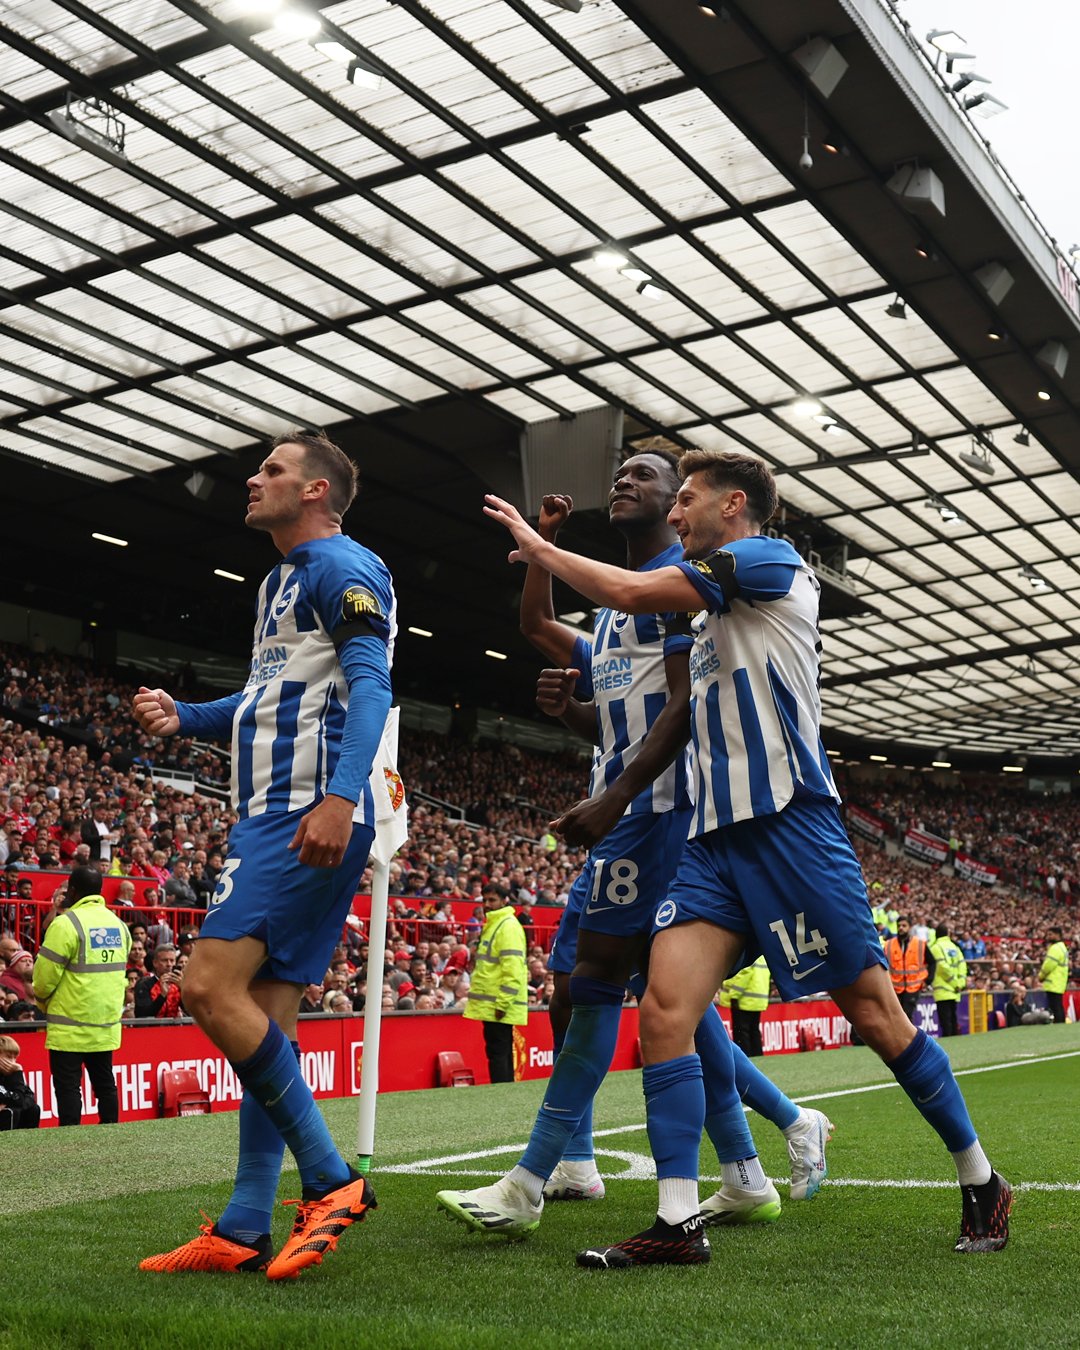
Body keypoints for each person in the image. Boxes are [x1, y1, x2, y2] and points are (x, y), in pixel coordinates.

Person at [485, 448, 1010, 1266]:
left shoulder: (768, 560)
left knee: (876, 1016)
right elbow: (652, 696)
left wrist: (538, 545)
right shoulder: (700, 616)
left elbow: (626, 589)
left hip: (792, 827)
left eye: (686, 499)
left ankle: (980, 1178)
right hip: (712, 842)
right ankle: (676, 1223)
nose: (676, 512)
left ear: (733, 507)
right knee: (664, 1012)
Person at [438, 452, 831, 1241]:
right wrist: (568, 711)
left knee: (596, 985)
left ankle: (537, 1177)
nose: (628, 483)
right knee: (660, 1004)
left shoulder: (675, 589)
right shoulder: (617, 617)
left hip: (660, 813)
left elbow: (682, 710)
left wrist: (617, 794)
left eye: (650, 479)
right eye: (622, 475)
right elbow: (544, 637)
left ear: (678, 506)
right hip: (625, 816)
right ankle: (749, 1166)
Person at [132, 431, 395, 1281]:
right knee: (265, 1019)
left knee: (207, 986)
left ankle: (330, 1182)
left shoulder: (340, 566)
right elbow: (266, 699)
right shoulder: (281, 580)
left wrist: (340, 797)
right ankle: (244, 1227)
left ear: (317, 491)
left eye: (273, 470)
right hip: (280, 809)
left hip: (304, 810)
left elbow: (373, 686)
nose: (255, 477)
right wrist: (188, 716)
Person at [30, 865, 130, 1126]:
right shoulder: (119, 925)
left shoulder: (66, 924)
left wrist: (42, 1002)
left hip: (69, 1027)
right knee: (106, 1086)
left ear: (72, 890)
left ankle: (70, 1144)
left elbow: (42, 980)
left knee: (69, 1089)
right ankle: (111, 1139)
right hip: (105, 1026)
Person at [462, 884, 528, 1082]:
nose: (487, 905)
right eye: (485, 900)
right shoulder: (497, 924)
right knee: (500, 1052)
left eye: (492, 900)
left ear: (504, 901)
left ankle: (501, 1094)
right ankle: (505, 1094)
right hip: (494, 1004)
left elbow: (513, 970)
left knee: (498, 1053)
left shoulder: (506, 926)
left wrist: (502, 1003)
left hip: (498, 1005)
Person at [884, 916, 932, 1025]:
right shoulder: (889, 945)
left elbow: (932, 962)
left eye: (904, 925)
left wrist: (928, 980)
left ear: (910, 927)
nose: (901, 928)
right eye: (899, 926)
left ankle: (907, 1041)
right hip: (895, 987)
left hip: (913, 986)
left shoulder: (919, 944)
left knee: (907, 1014)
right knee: (895, 1016)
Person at [722, 956, 770, 1059]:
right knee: (754, 1031)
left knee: (741, 1032)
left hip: (743, 999)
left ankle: (744, 1058)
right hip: (757, 999)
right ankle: (758, 1056)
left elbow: (744, 974)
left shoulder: (747, 955)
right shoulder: (761, 957)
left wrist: (734, 995)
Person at [929, 924, 967, 1038]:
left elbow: (942, 967)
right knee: (953, 1019)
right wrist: (960, 983)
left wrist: (954, 982)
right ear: (948, 933)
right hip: (955, 990)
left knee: (946, 1023)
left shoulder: (935, 948)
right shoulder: (955, 947)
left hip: (942, 990)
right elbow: (962, 965)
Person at [0, 1033, 40, 1129]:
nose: (13, 1062)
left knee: (34, 1109)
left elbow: (28, 1097)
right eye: (9, 1057)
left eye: (15, 1058)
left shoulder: (14, 1072)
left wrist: (18, 1072)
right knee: (10, 1112)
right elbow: (17, 1098)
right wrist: (14, 1101)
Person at [133, 944, 184, 1019]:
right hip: (151, 1029)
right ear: (155, 963)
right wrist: (162, 995)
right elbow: (142, 1014)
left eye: (172, 960)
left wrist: (183, 991)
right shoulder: (144, 984)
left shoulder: (178, 984)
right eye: (164, 960)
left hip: (174, 1028)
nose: (169, 964)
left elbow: (191, 1012)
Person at [1038, 927, 1069, 1024]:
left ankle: (1058, 1025)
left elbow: (1048, 966)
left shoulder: (1055, 948)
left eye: (1051, 934)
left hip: (1053, 982)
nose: (1048, 937)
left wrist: (1041, 976)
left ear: (1057, 935)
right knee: (1058, 1006)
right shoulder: (1062, 947)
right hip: (1059, 982)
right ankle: (1061, 1025)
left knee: (1055, 1007)